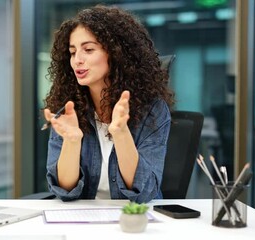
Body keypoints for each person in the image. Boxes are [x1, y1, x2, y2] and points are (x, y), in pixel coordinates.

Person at [43, 5, 175, 202]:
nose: (77, 60)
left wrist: (121, 133)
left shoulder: (152, 110)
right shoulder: (68, 110)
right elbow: (63, 190)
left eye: (88, 49)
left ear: (115, 53)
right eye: (72, 52)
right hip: (82, 219)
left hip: (133, 221)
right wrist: (72, 141)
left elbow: (145, 191)